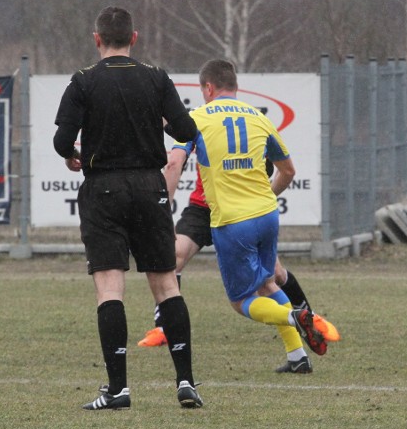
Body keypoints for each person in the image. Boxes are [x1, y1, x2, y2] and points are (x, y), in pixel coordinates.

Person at [53, 6, 203, 410]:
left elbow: (62, 140)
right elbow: (187, 131)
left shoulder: (83, 80)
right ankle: (186, 382)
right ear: (134, 38)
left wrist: (72, 155)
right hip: (150, 187)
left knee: (109, 288)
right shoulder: (155, 77)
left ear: (96, 38)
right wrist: (159, 119)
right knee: (166, 284)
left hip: (104, 189)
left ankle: (118, 389)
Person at [184, 58, 339, 372]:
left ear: (208, 88)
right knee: (269, 283)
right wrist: (267, 196)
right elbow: (289, 171)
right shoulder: (259, 117)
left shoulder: (197, 118)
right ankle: (298, 358)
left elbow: (174, 163)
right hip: (267, 215)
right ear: (235, 87)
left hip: (231, 220)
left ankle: (294, 315)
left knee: (241, 301)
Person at [138, 146, 338, 373]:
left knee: (272, 277)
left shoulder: (243, 124)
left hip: (237, 210)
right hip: (204, 208)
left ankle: (308, 321)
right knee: (172, 258)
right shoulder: (198, 123)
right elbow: (175, 154)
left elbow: (273, 167)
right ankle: (164, 327)